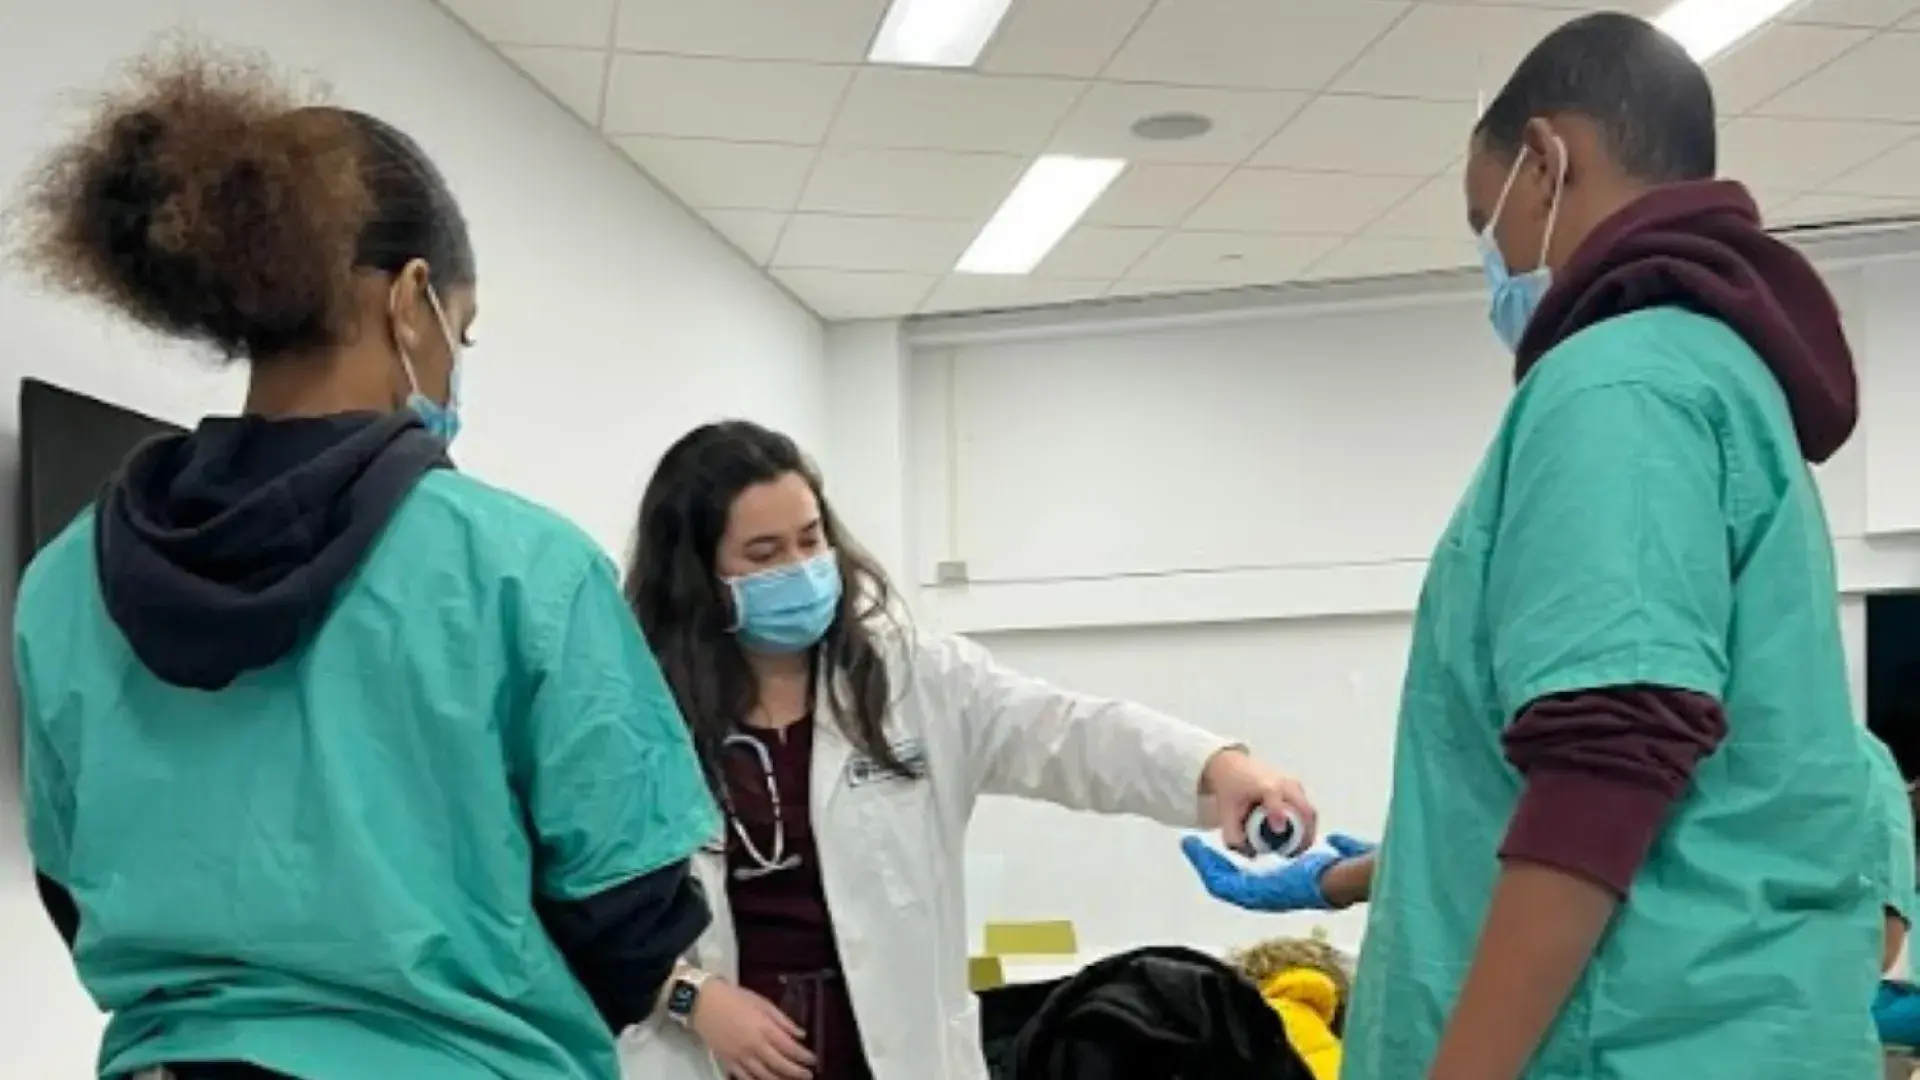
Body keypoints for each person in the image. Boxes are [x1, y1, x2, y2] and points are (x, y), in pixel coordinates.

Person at [12, 44, 715, 1080]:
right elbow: (628, 919)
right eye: (460, 331)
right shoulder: (525, 571)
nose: (453, 360)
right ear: (411, 299)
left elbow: (72, 887)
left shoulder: (65, 581)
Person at [1196, 12, 1878, 1079]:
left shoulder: (1620, 385)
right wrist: (1381, 872)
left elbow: (1606, 766)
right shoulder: (1719, 376)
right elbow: (1677, 784)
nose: (1497, 260)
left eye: (1489, 219)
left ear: (1548, 160)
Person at [615, 419, 1319, 1080]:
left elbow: (1071, 733)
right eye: (765, 555)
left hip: (897, 1053)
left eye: (810, 539)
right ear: (696, 573)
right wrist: (691, 996)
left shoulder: (914, 682)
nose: (800, 569)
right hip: (713, 1054)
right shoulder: (635, 715)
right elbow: (588, 903)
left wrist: (1217, 767)